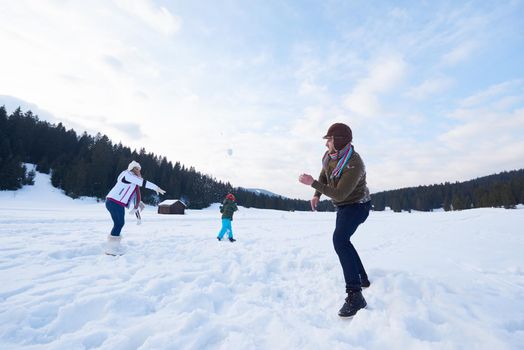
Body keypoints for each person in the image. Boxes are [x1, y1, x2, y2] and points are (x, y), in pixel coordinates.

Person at [299, 122, 372, 318]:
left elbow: (340, 194)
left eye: (329, 140)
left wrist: (312, 183)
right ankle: (362, 278)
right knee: (343, 240)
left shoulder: (354, 163)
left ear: (338, 141)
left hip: (358, 206)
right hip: (343, 206)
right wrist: (316, 194)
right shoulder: (331, 157)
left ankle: (355, 295)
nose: (326, 144)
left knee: (339, 240)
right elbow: (325, 173)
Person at [105, 160, 166, 255]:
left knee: (119, 223)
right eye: (137, 168)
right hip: (114, 202)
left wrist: (138, 205)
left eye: (139, 169)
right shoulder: (127, 175)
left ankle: (113, 247)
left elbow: (134, 195)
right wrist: (155, 187)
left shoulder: (132, 181)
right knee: (119, 223)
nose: (139, 171)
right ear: (132, 169)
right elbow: (143, 182)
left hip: (116, 203)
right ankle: (111, 249)